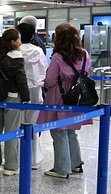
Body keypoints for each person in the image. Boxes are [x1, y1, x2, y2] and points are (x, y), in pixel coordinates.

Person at [37, 23, 92, 178]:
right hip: (77, 98)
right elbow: (87, 73)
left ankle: (62, 168)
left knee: (59, 132)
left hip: (59, 98)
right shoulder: (85, 54)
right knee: (71, 131)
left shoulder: (58, 57)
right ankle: (75, 164)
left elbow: (50, 80)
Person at [0, 28, 30, 175]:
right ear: (12, 42)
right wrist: (26, 97)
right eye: (19, 39)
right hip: (12, 96)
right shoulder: (15, 55)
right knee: (12, 132)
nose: (20, 42)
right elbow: (21, 79)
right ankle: (10, 166)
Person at [16, 23, 48, 169]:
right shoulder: (38, 51)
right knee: (33, 126)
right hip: (36, 90)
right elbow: (44, 70)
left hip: (19, 91)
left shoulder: (15, 52)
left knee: (17, 126)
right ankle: (34, 159)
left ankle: (17, 158)